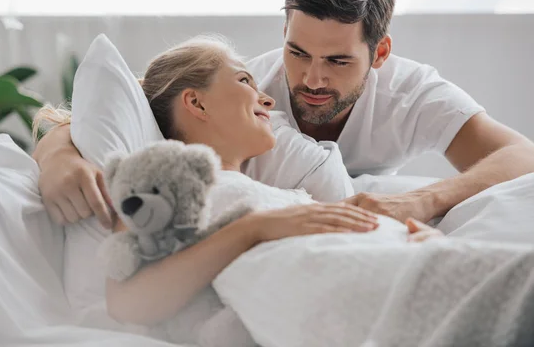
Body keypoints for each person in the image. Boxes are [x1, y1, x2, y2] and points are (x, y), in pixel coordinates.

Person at [33, 0, 534, 232]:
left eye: (338, 61)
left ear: (379, 54)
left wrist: (424, 201)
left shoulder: (412, 93)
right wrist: (57, 156)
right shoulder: (248, 90)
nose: (312, 80)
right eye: (298, 53)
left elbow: (520, 155)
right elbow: (136, 97)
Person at [36, 36, 442, 329]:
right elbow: (128, 300)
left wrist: (410, 239)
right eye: (245, 81)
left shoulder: (279, 191)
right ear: (196, 102)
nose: (267, 99)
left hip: (412, 270)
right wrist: (251, 229)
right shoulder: (170, 183)